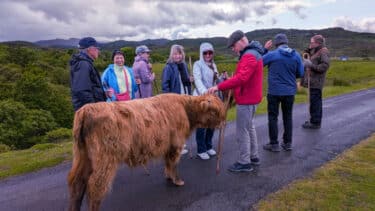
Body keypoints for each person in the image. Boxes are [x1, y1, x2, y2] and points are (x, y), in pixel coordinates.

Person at [208, 30, 265, 172]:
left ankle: (244, 162)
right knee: (249, 127)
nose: (233, 50)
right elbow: (243, 77)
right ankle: (254, 156)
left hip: (247, 99)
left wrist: (219, 86)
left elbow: (241, 78)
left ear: (241, 41)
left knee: (242, 131)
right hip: (251, 97)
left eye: (233, 46)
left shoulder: (249, 55)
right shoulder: (252, 53)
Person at [262, 33, 304, 152]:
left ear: (276, 44)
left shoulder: (272, 54)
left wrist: (265, 50)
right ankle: (288, 143)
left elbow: (258, 63)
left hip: (274, 92)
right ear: (286, 42)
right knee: (288, 117)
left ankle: (274, 144)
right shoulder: (296, 55)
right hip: (290, 92)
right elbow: (300, 73)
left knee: (273, 117)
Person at [192, 42, 225, 160]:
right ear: (201, 53)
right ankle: (201, 149)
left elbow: (216, 80)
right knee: (202, 123)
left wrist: (223, 81)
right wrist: (205, 94)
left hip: (213, 97)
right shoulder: (197, 64)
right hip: (201, 97)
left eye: (210, 52)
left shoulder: (213, 65)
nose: (208, 55)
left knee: (212, 122)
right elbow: (197, 80)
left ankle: (208, 145)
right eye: (205, 52)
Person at [162, 44, 192, 154]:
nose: (177, 56)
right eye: (175, 54)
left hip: (184, 98)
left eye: (179, 54)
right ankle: (175, 147)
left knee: (182, 123)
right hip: (174, 100)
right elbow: (165, 85)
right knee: (175, 124)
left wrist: (190, 80)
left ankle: (180, 144)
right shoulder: (168, 67)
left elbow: (186, 82)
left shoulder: (183, 65)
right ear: (172, 55)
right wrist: (167, 101)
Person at [301, 34, 330, 129]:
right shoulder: (316, 51)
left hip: (316, 81)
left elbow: (324, 66)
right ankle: (314, 120)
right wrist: (308, 49)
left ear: (318, 43)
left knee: (315, 102)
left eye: (312, 42)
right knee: (314, 101)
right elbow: (305, 54)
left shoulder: (323, 52)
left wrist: (311, 65)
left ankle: (315, 122)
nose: (310, 43)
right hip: (313, 81)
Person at [69, 37, 106, 112]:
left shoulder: (85, 63)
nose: (98, 51)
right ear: (90, 49)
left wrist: (103, 93)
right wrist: (94, 108)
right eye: (97, 48)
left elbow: (91, 87)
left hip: (88, 108)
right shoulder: (83, 64)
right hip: (89, 110)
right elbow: (82, 90)